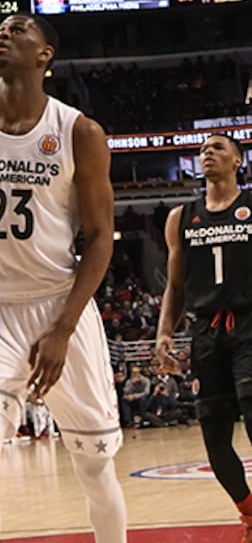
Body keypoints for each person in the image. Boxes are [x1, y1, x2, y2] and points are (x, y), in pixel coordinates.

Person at [0, 15, 127, 543]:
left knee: (94, 469)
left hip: (59, 305)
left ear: (46, 56)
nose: (4, 32)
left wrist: (63, 329)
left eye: (20, 29)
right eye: (0, 27)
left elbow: (100, 238)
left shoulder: (79, 131)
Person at [156, 133, 252, 537]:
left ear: (237, 161)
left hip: (249, 324)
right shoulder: (182, 216)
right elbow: (175, 286)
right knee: (215, 438)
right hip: (205, 332)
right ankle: (248, 512)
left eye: (217, 148)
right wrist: (164, 333)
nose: (207, 153)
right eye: (202, 149)